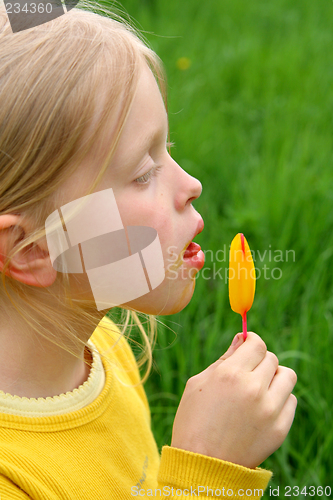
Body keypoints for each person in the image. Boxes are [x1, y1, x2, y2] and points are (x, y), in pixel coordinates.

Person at [0, 3, 297, 498]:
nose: (193, 185)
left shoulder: (105, 349)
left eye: (170, 149)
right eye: (143, 172)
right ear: (35, 250)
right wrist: (208, 473)